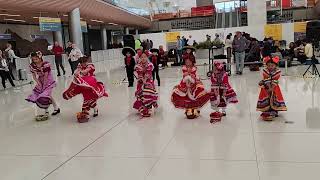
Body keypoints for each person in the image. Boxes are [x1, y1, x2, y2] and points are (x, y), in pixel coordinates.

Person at [63, 56, 108, 123]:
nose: (83, 64)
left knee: (88, 98)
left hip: (91, 83)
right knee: (88, 98)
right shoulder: (80, 66)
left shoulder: (90, 66)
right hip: (83, 84)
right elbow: (76, 72)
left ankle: (86, 112)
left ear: (86, 61)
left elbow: (85, 71)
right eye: (81, 62)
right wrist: (77, 72)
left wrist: (80, 72)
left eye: (84, 62)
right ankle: (94, 110)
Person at [171, 54, 210, 119]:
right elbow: (185, 76)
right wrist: (187, 81)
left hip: (194, 82)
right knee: (185, 95)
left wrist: (192, 77)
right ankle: (188, 109)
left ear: (192, 61)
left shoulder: (194, 68)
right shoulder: (184, 68)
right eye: (186, 61)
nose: (187, 63)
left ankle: (195, 109)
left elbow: (194, 76)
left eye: (189, 61)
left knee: (197, 94)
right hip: (185, 83)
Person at [26, 52, 60, 120]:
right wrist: (39, 83)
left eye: (36, 59)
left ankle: (52, 109)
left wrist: (44, 86)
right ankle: (52, 109)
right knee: (46, 95)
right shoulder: (32, 65)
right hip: (40, 79)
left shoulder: (45, 64)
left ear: (40, 57)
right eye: (33, 59)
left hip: (48, 79)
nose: (35, 61)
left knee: (45, 95)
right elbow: (34, 76)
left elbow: (46, 75)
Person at [257, 56, 287, 121]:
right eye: (269, 65)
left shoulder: (277, 72)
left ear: (275, 66)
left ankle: (274, 110)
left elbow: (275, 80)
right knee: (267, 98)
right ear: (266, 65)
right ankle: (266, 109)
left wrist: (272, 87)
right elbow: (265, 79)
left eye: (272, 65)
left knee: (274, 98)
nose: (270, 67)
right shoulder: (265, 71)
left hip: (274, 87)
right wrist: (263, 83)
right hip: (266, 87)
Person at [133, 52, 158, 117]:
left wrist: (145, 80)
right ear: (139, 58)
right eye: (141, 57)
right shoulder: (138, 66)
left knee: (148, 93)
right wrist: (142, 80)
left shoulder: (150, 65)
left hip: (148, 81)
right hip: (141, 82)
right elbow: (139, 74)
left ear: (147, 58)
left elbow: (148, 73)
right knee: (141, 93)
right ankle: (143, 107)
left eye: (144, 57)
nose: (143, 58)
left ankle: (149, 107)